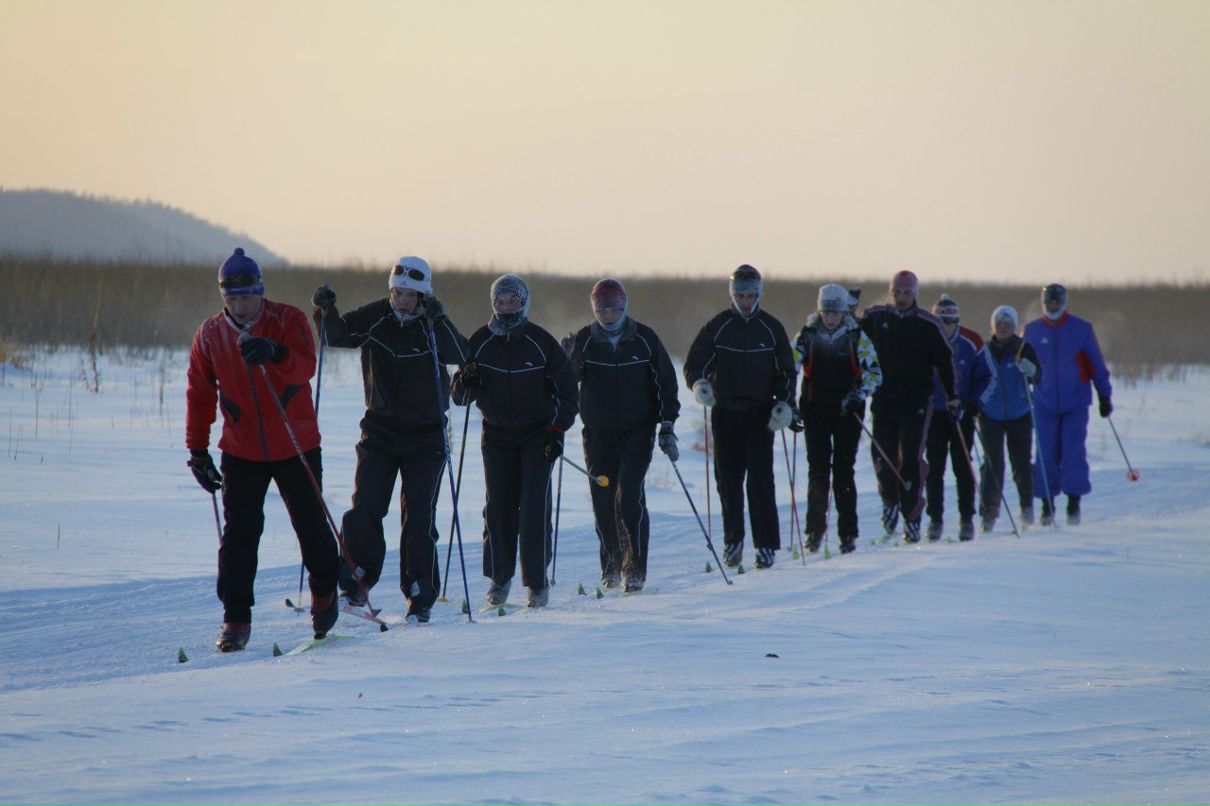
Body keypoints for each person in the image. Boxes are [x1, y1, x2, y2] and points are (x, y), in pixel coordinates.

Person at [185, 248, 340, 651]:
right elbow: (200, 395)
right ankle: (235, 619)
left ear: (260, 292)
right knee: (240, 535)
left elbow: (305, 364)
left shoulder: (287, 319)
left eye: (247, 297)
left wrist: (275, 352)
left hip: (295, 440)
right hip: (241, 449)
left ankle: (324, 596)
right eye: (232, 298)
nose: (240, 306)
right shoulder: (210, 335)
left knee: (310, 523)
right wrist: (197, 451)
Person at [310, 257, 469, 624]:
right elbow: (337, 336)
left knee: (418, 517)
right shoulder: (377, 316)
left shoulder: (432, 323)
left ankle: (419, 593)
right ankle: (357, 577)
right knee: (365, 506)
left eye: (411, 295)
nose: (402, 300)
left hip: (426, 437)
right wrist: (323, 310)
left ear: (424, 295)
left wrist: (439, 319)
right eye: (397, 293)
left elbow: (460, 355)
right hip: (380, 431)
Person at [451, 275, 579, 608]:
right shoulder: (479, 341)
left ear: (524, 302)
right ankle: (500, 577)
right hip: (496, 435)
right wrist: (467, 381)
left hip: (538, 435)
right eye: (500, 302)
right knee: (498, 508)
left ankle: (536, 583)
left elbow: (568, 391)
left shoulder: (540, 342)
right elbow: (459, 397)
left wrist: (558, 430)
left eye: (512, 301)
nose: (506, 308)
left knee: (533, 509)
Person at [564, 279, 680, 592]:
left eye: (614, 306)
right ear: (594, 307)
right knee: (604, 499)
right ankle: (612, 563)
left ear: (624, 305)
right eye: (602, 307)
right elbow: (566, 384)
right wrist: (566, 360)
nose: (608, 313)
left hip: (638, 431)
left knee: (628, 494)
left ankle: (635, 567)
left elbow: (666, 384)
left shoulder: (644, 338)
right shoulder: (585, 340)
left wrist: (667, 425)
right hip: (598, 434)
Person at [683, 264, 797, 569]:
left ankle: (766, 545)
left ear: (759, 294)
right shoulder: (718, 326)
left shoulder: (771, 328)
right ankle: (733, 541)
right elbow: (695, 362)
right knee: (728, 481)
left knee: (761, 481)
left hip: (761, 416)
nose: (745, 301)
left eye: (750, 295)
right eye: (740, 295)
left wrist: (785, 404)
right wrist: (700, 384)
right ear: (732, 295)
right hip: (726, 413)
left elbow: (786, 372)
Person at [858, 270, 958, 544]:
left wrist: (952, 396)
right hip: (884, 398)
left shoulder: (927, 323)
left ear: (915, 294)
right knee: (884, 456)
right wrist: (849, 308)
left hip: (916, 400)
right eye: (897, 293)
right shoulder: (877, 318)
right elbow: (852, 335)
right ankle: (889, 500)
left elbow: (945, 360)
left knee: (911, 457)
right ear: (891, 293)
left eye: (907, 293)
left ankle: (912, 515)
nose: (902, 298)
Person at [793, 283, 882, 555]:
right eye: (826, 311)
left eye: (835, 311)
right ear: (819, 310)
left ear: (844, 311)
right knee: (818, 471)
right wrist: (786, 402)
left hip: (847, 411)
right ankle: (814, 530)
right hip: (815, 409)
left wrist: (860, 394)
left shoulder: (856, 336)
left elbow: (875, 374)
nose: (830, 317)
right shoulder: (807, 335)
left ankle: (847, 533)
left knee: (844, 470)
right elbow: (788, 367)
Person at [1023, 283, 1113, 525]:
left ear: (1064, 303)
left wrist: (1104, 395)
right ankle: (1047, 506)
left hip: (1075, 403)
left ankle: (1073, 504)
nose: (1053, 306)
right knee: (1045, 454)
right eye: (1049, 302)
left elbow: (1096, 363)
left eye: (1057, 302)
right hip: (1044, 403)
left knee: (1073, 452)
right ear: (1044, 303)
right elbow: (1022, 366)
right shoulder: (1032, 330)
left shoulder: (1081, 329)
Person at [923, 294, 991, 542]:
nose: (945, 326)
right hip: (935, 413)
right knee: (934, 468)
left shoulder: (971, 341)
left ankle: (966, 519)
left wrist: (973, 403)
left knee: (963, 467)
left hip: (962, 413)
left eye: (950, 322)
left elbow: (986, 377)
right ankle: (935, 519)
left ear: (957, 321)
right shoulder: (926, 340)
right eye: (940, 321)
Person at [977, 305, 1041, 531]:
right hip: (990, 415)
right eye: (999, 323)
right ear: (993, 325)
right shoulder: (984, 350)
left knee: (1021, 465)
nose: (1003, 327)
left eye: (1007, 323)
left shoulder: (1023, 347)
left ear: (1014, 326)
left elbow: (1038, 376)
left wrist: (1031, 370)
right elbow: (977, 380)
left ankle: (1026, 508)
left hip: (1019, 414)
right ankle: (988, 514)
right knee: (993, 465)